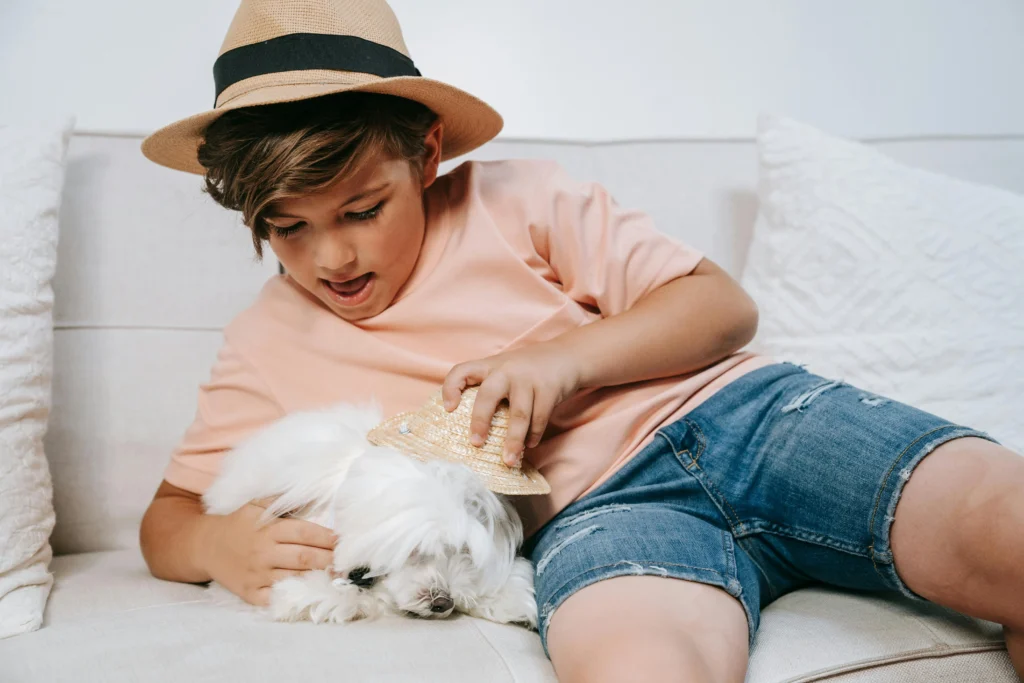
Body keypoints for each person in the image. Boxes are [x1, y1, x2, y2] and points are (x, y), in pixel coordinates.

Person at [138, 2, 1024, 681]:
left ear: (428, 153)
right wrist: (215, 547)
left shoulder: (519, 199)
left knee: (1005, 529)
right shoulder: (267, 338)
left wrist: (561, 361)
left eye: (363, 210)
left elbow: (721, 305)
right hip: (599, 519)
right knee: (639, 664)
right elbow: (165, 520)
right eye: (287, 227)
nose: (331, 256)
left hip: (750, 419)